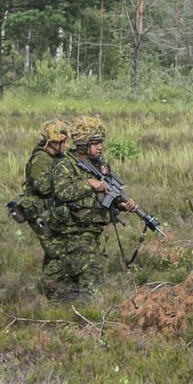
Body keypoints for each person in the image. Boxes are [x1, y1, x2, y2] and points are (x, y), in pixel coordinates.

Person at [39, 116, 137, 302]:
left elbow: (107, 194)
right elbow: (62, 192)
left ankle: (66, 305)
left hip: (90, 231)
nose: (100, 147)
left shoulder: (101, 166)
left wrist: (121, 205)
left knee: (61, 276)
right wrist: (88, 183)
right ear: (83, 144)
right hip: (70, 230)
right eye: (95, 143)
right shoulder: (66, 165)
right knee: (86, 278)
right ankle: (89, 315)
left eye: (101, 142)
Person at [22, 117, 73, 240]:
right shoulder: (40, 159)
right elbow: (44, 188)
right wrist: (63, 179)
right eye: (64, 142)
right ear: (54, 141)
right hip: (42, 213)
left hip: (54, 211)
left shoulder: (57, 156)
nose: (67, 145)